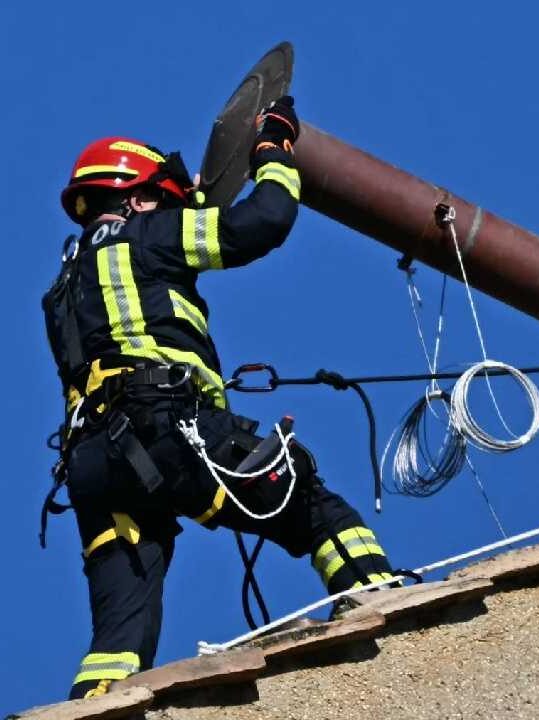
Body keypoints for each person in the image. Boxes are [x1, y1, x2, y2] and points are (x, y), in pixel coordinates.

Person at [43, 97, 395, 699]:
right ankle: (390, 604)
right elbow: (262, 221)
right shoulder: (149, 235)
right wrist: (273, 151)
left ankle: (97, 707)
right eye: (167, 196)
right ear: (137, 196)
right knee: (307, 497)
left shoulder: (61, 289)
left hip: (95, 467)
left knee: (117, 636)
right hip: (164, 427)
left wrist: (193, 203)